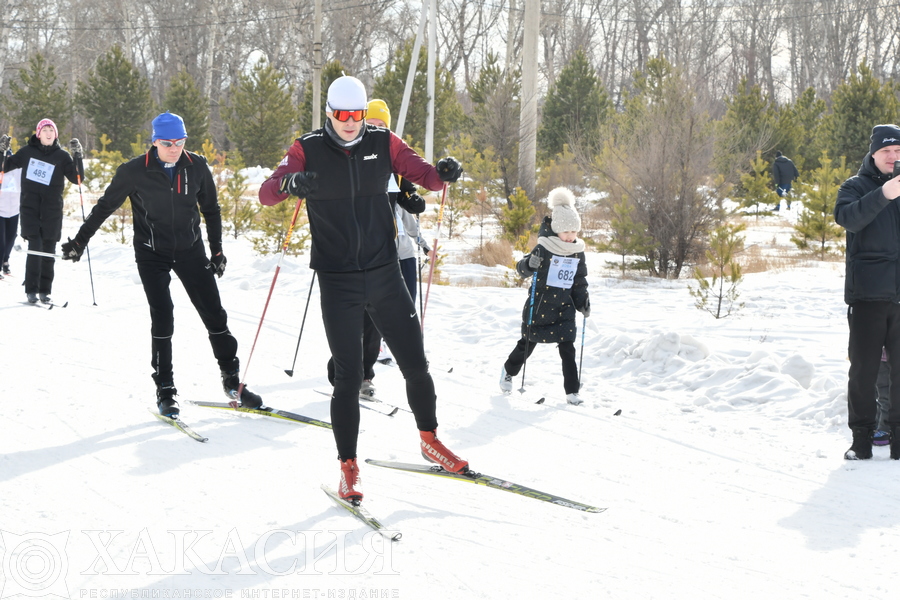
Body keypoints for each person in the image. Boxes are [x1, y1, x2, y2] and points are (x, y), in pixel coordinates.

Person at [258, 76, 465, 503]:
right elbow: (266, 194)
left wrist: (444, 174)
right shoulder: (307, 148)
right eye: (343, 115)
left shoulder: (383, 142)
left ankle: (430, 439)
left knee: (416, 363)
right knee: (349, 377)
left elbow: (425, 177)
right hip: (338, 279)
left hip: (385, 271)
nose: (351, 123)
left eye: (358, 115)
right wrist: (289, 184)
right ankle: (348, 468)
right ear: (330, 113)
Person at [59, 111, 263, 418]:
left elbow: (211, 208)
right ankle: (166, 389)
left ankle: (232, 381)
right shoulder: (133, 171)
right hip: (151, 253)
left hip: (190, 249)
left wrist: (217, 251)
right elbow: (104, 208)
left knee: (214, 313)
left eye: (180, 142)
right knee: (163, 316)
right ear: (154, 142)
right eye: (168, 142)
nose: (175, 148)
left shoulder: (196, 166)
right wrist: (79, 241)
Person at [324, 99, 427, 396]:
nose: (378, 132)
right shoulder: (348, 158)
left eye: (384, 127)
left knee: (379, 322)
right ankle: (345, 371)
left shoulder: (393, 160)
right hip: (355, 253)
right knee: (356, 320)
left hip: (391, 252)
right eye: (375, 126)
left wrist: (413, 201)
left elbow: (407, 193)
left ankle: (365, 374)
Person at [834, 123, 900, 460]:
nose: (893, 156)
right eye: (887, 150)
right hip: (868, 297)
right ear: (873, 153)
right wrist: (885, 194)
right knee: (863, 372)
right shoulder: (855, 187)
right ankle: (861, 440)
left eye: (898, 151)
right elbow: (847, 219)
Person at [498, 187, 590, 405]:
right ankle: (508, 370)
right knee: (528, 344)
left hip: (564, 308)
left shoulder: (577, 251)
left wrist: (582, 302)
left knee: (567, 347)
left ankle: (572, 391)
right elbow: (522, 268)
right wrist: (529, 264)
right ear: (557, 230)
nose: (570, 237)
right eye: (566, 232)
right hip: (540, 305)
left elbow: (579, 280)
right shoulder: (544, 247)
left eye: (574, 232)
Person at [0, 120, 81, 303]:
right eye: (45, 129)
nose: (48, 132)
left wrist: (78, 157)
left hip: (52, 211)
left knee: (49, 249)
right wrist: (1, 151)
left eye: (52, 129)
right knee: (35, 247)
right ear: (38, 133)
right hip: (30, 208)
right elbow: (4, 167)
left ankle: (45, 291)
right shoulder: (27, 152)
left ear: (56, 134)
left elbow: (77, 179)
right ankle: (31, 290)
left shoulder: (62, 156)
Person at [0, 150, 18, 278]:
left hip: (14, 210)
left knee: (11, 238)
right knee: (1, 239)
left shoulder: (18, 170)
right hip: (0, 210)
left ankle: (5, 260)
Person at [874, 349, 891, 446]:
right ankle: (877, 425)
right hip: (877, 359)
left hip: (886, 359)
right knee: (878, 395)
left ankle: (885, 429)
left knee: (885, 397)